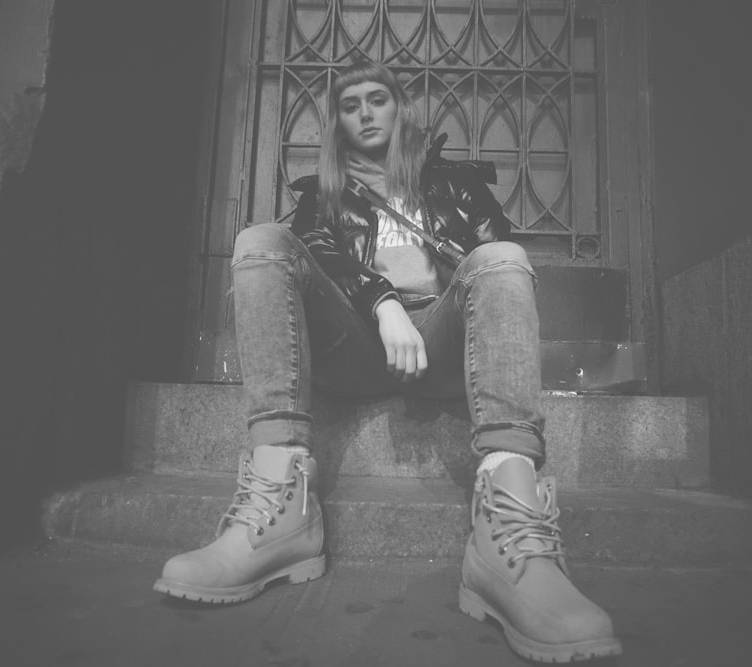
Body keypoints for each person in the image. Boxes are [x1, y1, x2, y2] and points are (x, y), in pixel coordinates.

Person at [154, 60, 621, 663]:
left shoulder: (454, 181)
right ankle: (280, 506)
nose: (367, 112)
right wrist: (382, 302)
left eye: (378, 99)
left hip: (448, 344)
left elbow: (489, 262)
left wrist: (430, 309)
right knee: (259, 242)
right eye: (352, 104)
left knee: (503, 256)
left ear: (400, 107)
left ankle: (511, 529)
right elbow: (318, 252)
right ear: (339, 121)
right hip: (360, 343)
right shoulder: (324, 194)